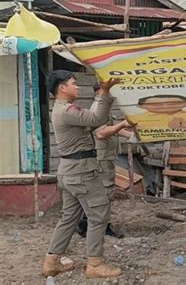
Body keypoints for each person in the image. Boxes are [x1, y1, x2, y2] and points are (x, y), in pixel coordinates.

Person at [42, 70, 122, 279]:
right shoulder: (66, 110)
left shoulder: (62, 109)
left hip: (70, 172)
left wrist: (101, 96)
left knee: (69, 217)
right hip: (82, 172)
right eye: (73, 83)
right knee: (99, 214)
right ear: (62, 88)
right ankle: (95, 264)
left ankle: (52, 262)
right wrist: (103, 92)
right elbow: (96, 118)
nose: (77, 87)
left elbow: (90, 119)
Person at [76, 83, 136, 239]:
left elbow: (113, 129)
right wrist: (123, 124)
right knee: (105, 191)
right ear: (100, 92)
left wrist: (131, 135)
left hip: (106, 156)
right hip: (102, 158)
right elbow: (102, 133)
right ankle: (100, 226)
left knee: (101, 191)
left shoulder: (104, 108)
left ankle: (87, 224)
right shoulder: (97, 109)